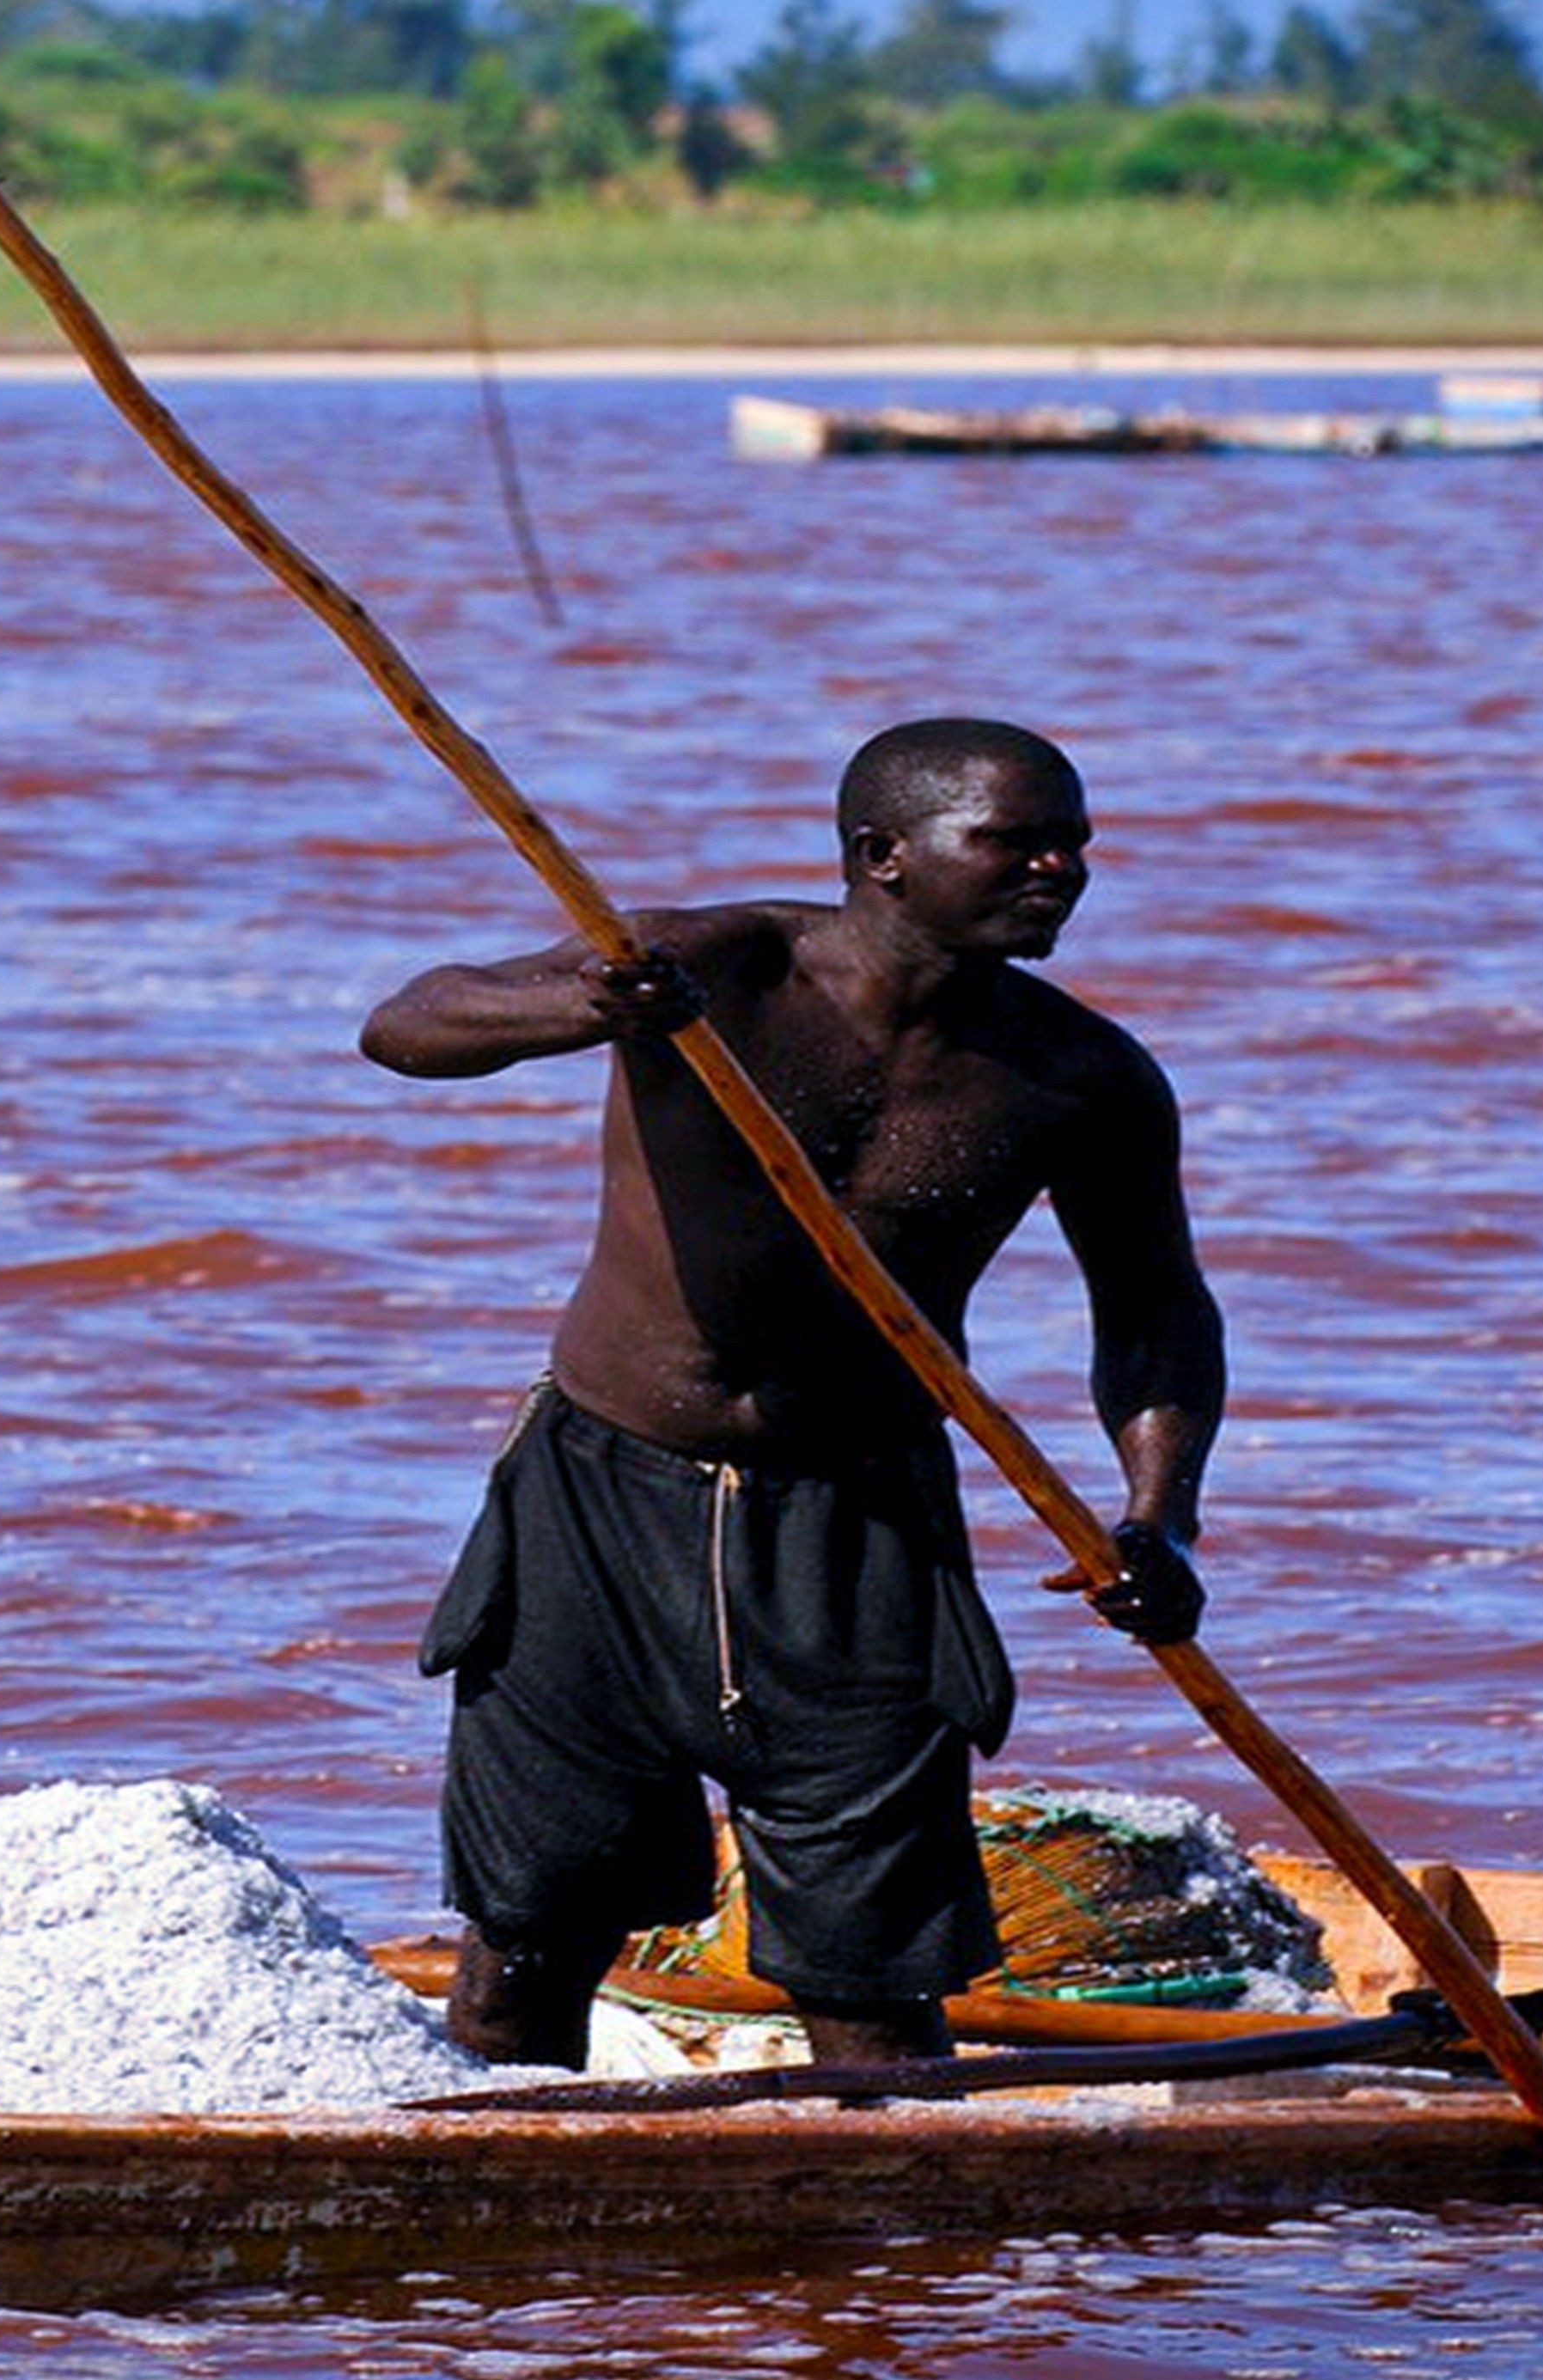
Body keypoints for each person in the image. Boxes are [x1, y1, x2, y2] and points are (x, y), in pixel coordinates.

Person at [362, 716, 1229, 2074]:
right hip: (600, 1504)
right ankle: (515, 2263)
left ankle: (885, 2276)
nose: (1062, 869)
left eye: (1077, 845)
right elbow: (407, 1026)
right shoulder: (713, 970)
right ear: (883, 855)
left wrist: (1159, 1520)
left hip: (859, 1526)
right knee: (531, 1941)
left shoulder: (1084, 1076)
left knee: (875, 1991)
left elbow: (1157, 1312)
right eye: (1019, 842)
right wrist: (585, 1007)